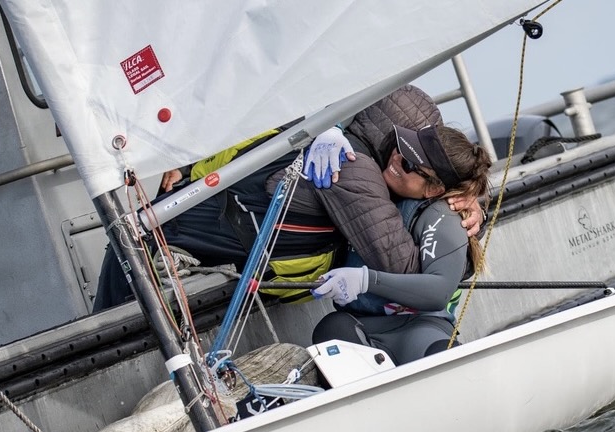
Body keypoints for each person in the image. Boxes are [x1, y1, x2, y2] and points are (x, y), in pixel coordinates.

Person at [92, 85, 484, 311]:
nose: (400, 161)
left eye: (416, 166)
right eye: (403, 147)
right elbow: (410, 271)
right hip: (173, 237)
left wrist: (466, 211)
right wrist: (457, 244)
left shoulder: (325, 126)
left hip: (175, 219)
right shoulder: (352, 168)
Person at [310, 124, 491, 365]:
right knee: (330, 328)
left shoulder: (444, 215)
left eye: (409, 164)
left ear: (435, 189)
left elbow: (438, 291)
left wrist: (365, 280)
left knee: (441, 355)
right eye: (400, 150)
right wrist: (332, 128)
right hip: (361, 324)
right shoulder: (373, 185)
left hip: (421, 328)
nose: (396, 160)